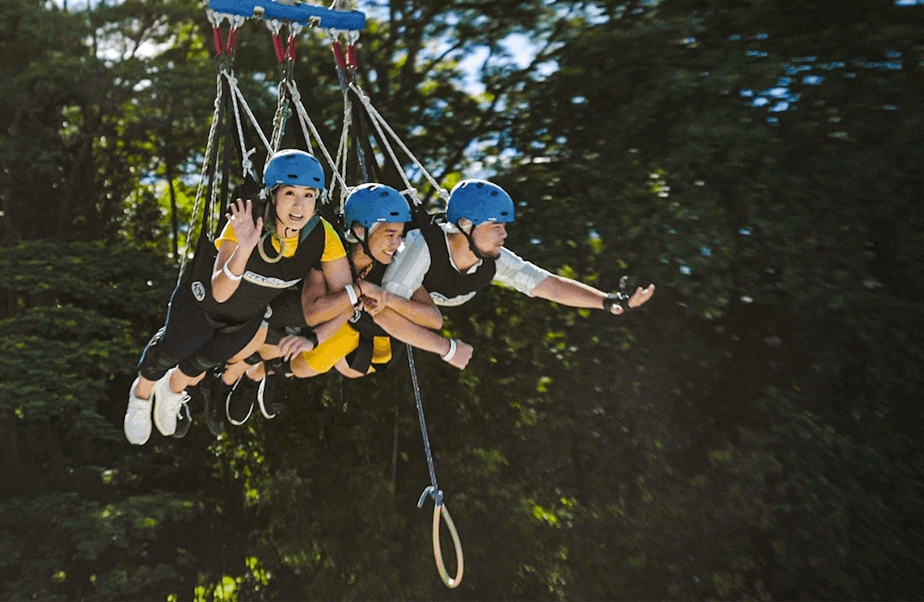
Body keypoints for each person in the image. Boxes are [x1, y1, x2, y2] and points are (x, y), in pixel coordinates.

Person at [123, 149, 351, 444]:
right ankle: (140, 397)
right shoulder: (246, 220)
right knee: (170, 351)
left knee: (203, 362)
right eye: (290, 192)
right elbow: (220, 291)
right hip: (204, 303)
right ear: (272, 193)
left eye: (309, 195)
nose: (299, 204)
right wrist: (244, 249)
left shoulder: (322, 236)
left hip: (246, 318)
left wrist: (316, 338)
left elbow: (346, 299)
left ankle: (172, 392)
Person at [215, 182, 463, 426]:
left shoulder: (396, 266)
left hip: (366, 333)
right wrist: (356, 294)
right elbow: (314, 312)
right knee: (289, 345)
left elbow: (434, 319)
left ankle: (262, 372)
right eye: (390, 235)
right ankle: (253, 374)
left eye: (400, 236)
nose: (397, 244)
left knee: (318, 364)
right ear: (359, 231)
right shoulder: (330, 250)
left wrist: (389, 299)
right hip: (316, 320)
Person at [380, 179, 656, 353]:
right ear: (465, 224)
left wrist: (608, 301)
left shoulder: (492, 259)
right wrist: (447, 349)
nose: (504, 235)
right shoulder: (421, 246)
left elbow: (548, 285)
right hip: (390, 292)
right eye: (496, 226)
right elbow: (385, 306)